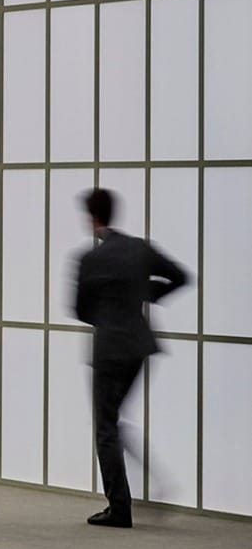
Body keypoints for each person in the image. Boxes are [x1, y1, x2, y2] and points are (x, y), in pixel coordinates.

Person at [73, 188, 191, 529]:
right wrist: (149, 294)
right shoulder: (140, 248)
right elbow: (181, 276)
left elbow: (79, 308)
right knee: (115, 420)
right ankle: (148, 484)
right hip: (139, 346)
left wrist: (105, 315)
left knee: (106, 426)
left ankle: (119, 507)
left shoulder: (89, 259)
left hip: (109, 349)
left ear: (91, 218)